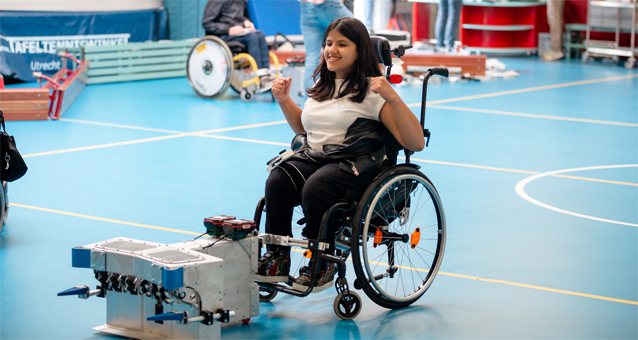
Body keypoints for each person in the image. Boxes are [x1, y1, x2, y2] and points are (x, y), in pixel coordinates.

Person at [255, 17, 425, 291]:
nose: (332, 49)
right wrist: (285, 100)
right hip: (320, 158)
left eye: (342, 44)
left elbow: (415, 142)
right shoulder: (323, 86)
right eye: (329, 43)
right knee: (279, 178)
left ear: (359, 51)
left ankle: (322, 261)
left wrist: (392, 96)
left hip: (359, 165)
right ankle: (278, 255)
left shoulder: (372, 92)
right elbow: (306, 130)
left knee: (316, 187)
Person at [299, 0, 354, 92]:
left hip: (307, 8)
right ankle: (354, 92)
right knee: (360, 38)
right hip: (330, 6)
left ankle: (309, 101)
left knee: (312, 58)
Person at [201, 0, 270, 69]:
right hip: (222, 35)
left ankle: (266, 71)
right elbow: (206, 23)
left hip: (239, 34)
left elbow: (241, 17)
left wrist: (245, 21)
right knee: (252, 37)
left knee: (260, 34)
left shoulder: (242, 1)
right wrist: (228, 30)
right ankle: (258, 73)